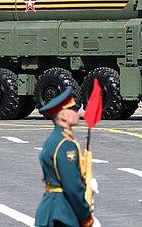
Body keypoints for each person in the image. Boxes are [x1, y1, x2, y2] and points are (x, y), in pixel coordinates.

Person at [35, 87, 96, 227]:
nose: (77, 113)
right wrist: (86, 216)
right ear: (63, 116)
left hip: (51, 207)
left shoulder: (53, 140)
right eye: (73, 109)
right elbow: (72, 185)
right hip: (64, 212)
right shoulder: (66, 145)